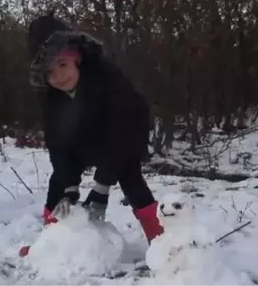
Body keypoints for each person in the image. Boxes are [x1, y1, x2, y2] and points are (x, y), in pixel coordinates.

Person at [19, 13, 163, 256]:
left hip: (124, 135)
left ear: (76, 57)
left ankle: (161, 242)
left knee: (130, 177)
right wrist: (70, 187)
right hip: (81, 140)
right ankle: (48, 246)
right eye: (50, 73)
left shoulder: (106, 77)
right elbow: (57, 142)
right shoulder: (51, 96)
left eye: (62, 65)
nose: (59, 77)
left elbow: (119, 132)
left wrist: (101, 187)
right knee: (58, 182)